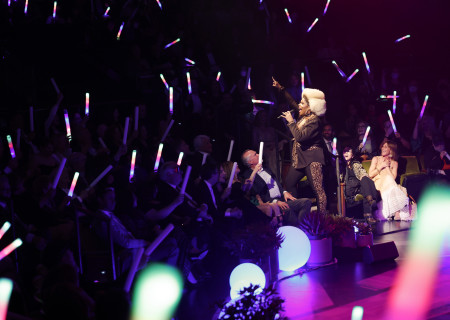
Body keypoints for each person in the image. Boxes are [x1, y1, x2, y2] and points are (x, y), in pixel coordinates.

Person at [272, 78, 328, 214]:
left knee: (318, 190)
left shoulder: (315, 121)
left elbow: (301, 137)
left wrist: (291, 122)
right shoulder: (304, 115)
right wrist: (281, 88)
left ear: (310, 107)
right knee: (289, 182)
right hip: (300, 158)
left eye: (302, 103)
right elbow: (291, 101)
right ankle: (295, 213)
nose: (299, 105)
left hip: (312, 158)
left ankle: (322, 220)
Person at [241, 149, 311, 226]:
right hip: (272, 204)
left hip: (282, 199)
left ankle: (301, 226)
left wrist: (284, 192)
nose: (258, 154)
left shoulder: (266, 169)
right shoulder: (248, 175)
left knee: (306, 202)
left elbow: (277, 184)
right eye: (255, 154)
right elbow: (258, 194)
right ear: (250, 162)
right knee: (286, 209)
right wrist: (275, 202)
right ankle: (300, 228)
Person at [368, 140, 414, 221]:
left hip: (390, 185)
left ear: (391, 150)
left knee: (391, 181)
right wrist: (381, 166)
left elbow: (393, 178)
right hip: (379, 183)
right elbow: (370, 174)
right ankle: (397, 211)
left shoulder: (395, 163)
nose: (382, 148)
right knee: (392, 183)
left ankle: (397, 212)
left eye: (385, 146)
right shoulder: (376, 159)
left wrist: (387, 167)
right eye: (382, 146)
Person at [342, 147, 378, 224]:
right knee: (366, 182)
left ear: (352, 155)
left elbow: (362, 172)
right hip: (349, 187)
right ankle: (372, 200)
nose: (346, 153)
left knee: (365, 180)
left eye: (348, 152)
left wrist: (363, 177)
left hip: (358, 186)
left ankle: (368, 214)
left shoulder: (355, 164)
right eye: (344, 152)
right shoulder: (341, 166)